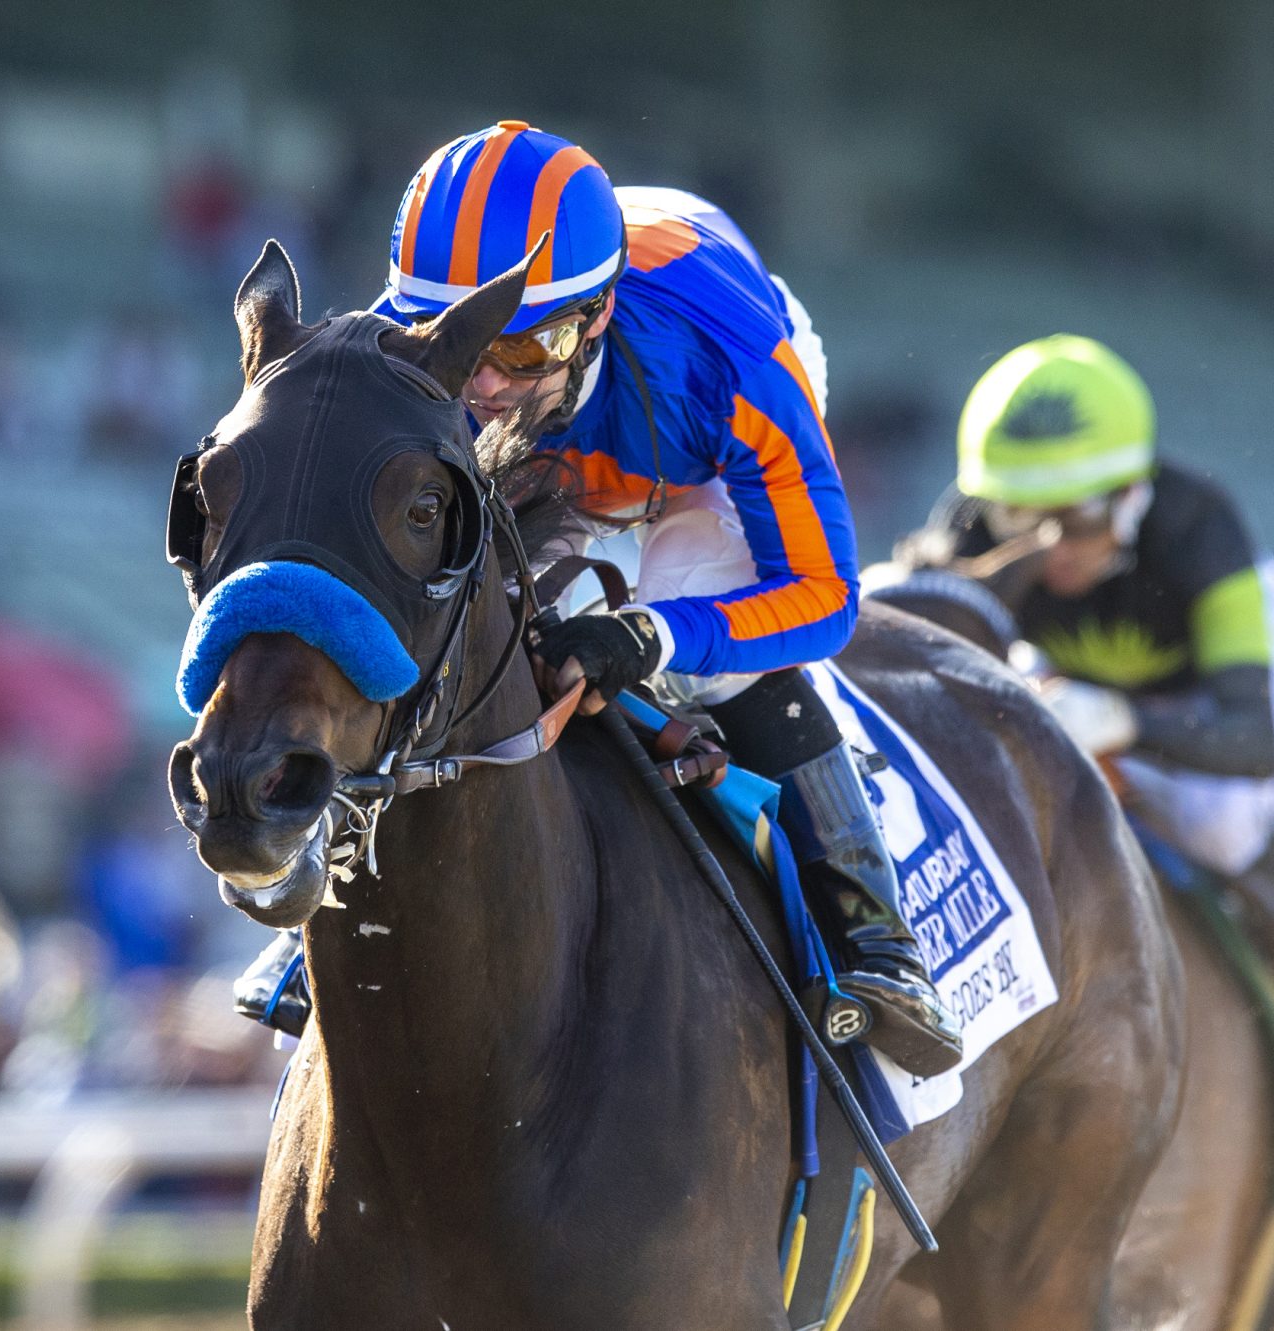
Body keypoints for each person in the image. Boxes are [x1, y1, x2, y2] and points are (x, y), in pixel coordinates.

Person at [235, 121, 962, 1078]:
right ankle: (327, 888)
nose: (484, 383)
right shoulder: (418, 348)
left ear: (594, 320)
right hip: (583, 423)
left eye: (525, 348)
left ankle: (872, 928)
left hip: (692, 436)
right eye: (459, 343)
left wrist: (653, 639)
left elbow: (824, 599)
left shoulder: (730, 366)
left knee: (694, 594)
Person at [910, 332, 1274, 1142]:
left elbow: (1252, 738)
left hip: (1202, 701)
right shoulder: (971, 525)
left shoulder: (1202, 532)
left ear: (1132, 495)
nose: (1047, 547)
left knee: (1220, 826)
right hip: (1066, 692)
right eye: (1016, 516)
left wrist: (1127, 720)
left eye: (1078, 517)